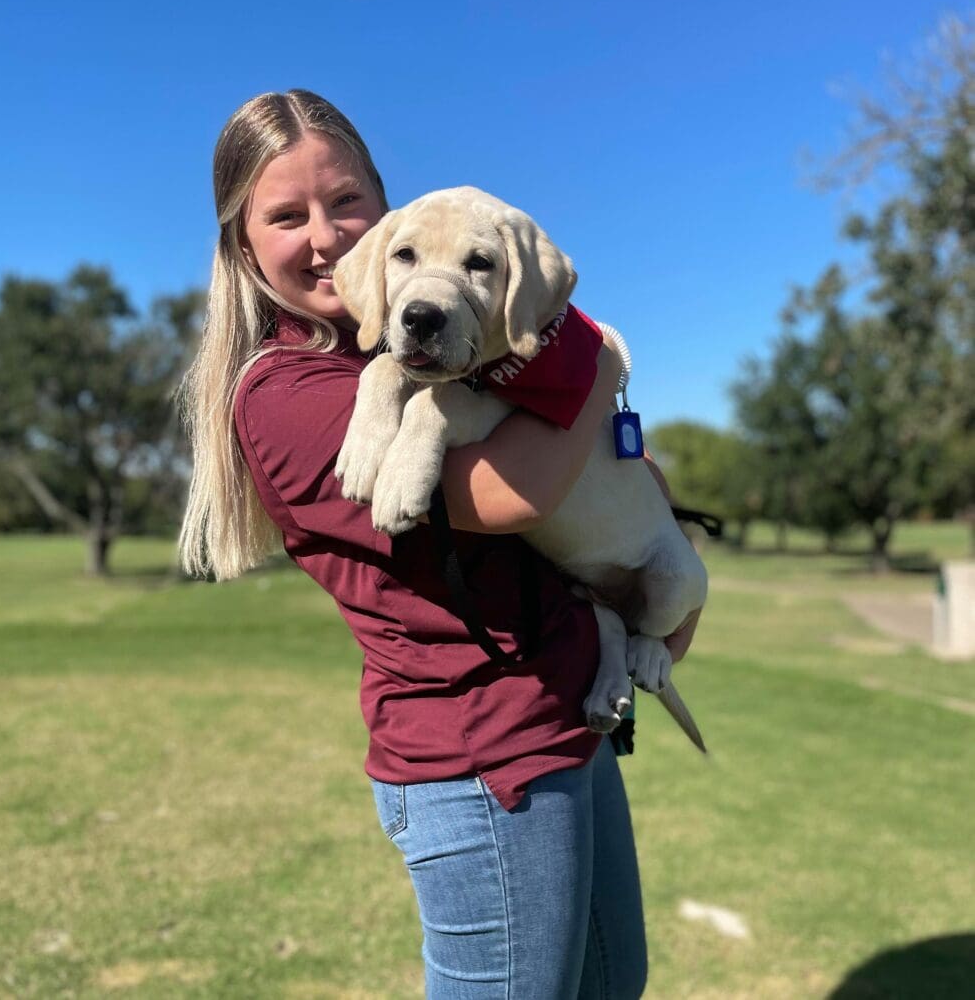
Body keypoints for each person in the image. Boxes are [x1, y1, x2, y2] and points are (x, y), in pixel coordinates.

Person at [180, 89, 697, 999]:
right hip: (481, 764)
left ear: (384, 206)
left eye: (347, 203)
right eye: (286, 215)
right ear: (242, 242)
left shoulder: (396, 354)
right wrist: (595, 355)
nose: (328, 238)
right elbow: (513, 493)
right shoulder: (287, 391)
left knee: (614, 986)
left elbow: (605, 478)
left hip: (564, 720)